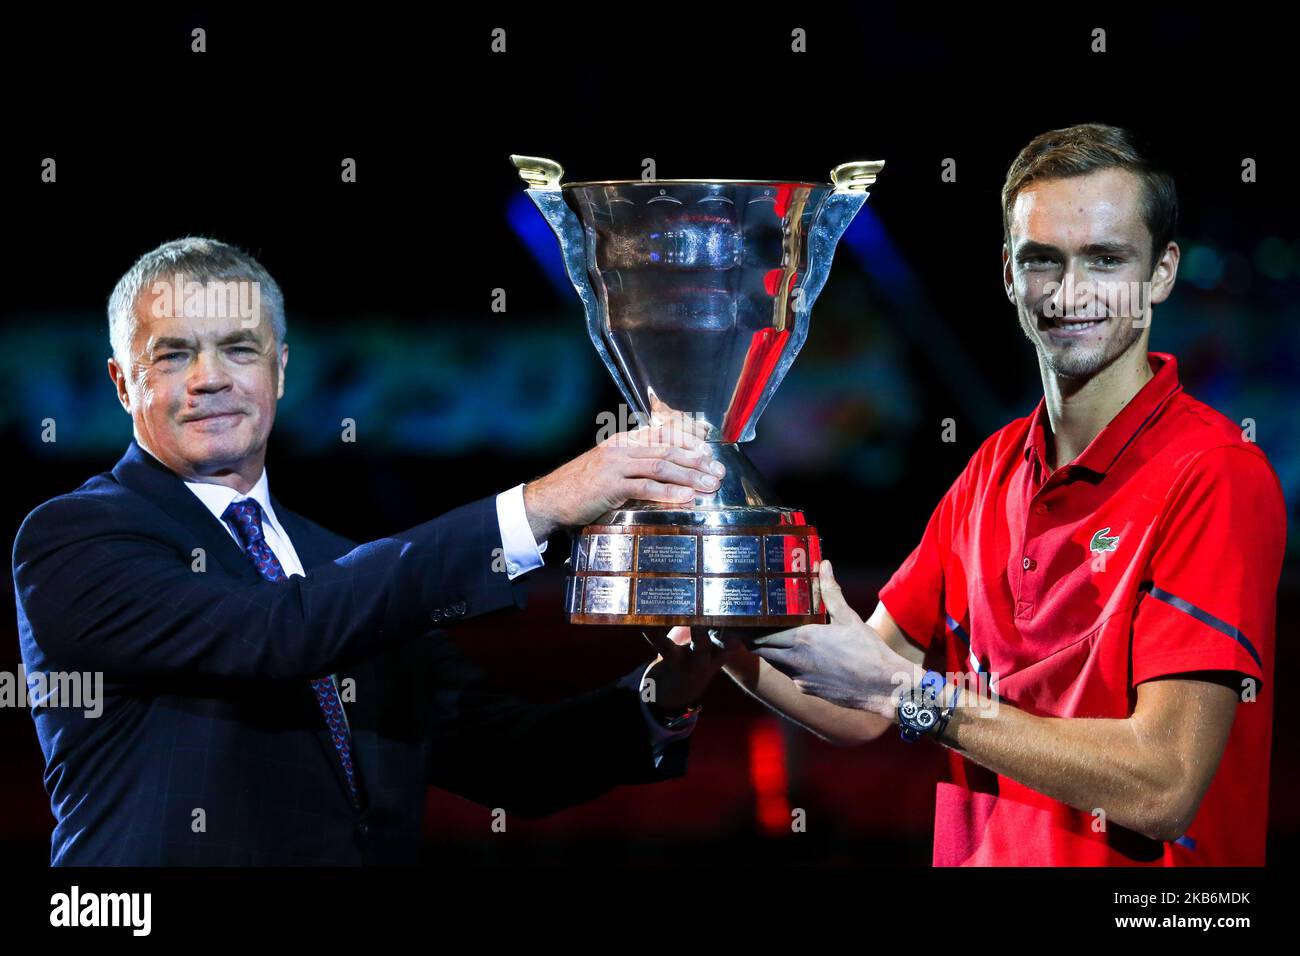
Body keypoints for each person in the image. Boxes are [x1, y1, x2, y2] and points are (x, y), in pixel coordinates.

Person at [13, 236, 730, 865]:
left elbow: (517, 759)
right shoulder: (75, 540)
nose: (210, 378)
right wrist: (538, 506)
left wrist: (671, 685)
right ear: (121, 382)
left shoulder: (339, 567)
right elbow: (275, 632)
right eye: (174, 354)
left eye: (239, 348)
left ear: (280, 371)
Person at [723, 123, 1285, 866]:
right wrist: (706, 619)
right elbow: (853, 703)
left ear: (1162, 273)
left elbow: (1163, 785)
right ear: (1009, 274)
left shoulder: (1215, 471)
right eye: (1043, 261)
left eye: (1106, 260)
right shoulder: (990, 469)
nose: (1071, 291)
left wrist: (908, 694)